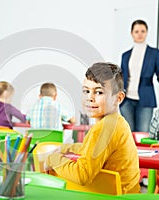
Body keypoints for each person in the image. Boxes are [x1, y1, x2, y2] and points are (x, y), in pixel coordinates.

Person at [44, 62, 141, 194]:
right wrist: (65, 148)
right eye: (86, 91)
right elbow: (90, 148)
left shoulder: (103, 128)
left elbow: (82, 174)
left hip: (114, 196)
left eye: (99, 92)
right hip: (128, 194)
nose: (90, 98)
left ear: (118, 98)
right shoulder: (117, 122)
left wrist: (51, 158)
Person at [120, 19, 159, 132]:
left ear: (147, 32)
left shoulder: (154, 53)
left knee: (142, 132)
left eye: (143, 31)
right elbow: (121, 77)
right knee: (128, 134)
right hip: (126, 100)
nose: (140, 34)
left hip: (145, 98)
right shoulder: (125, 55)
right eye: (136, 31)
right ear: (132, 33)